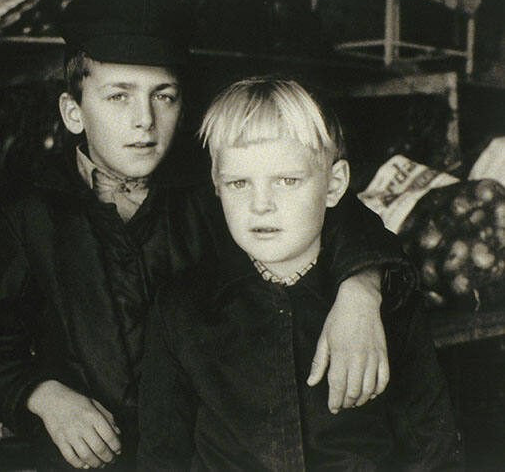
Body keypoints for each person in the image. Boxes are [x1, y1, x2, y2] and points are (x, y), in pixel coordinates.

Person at [0, 0, 412, 471]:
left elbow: (341, 217)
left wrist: (361, 291)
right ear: (72, 112)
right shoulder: (30, 219)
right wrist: (46, 397)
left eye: (162, 96)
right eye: (118, 96)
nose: (143, 121)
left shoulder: (215, 193)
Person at [137, 77, 463, 471]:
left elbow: (432, 447)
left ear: (334, 184)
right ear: (217, 186)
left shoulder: (384, 302)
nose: (261, 205)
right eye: (239, 182)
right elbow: (160, 456)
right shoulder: (181, 308)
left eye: (287, 181)